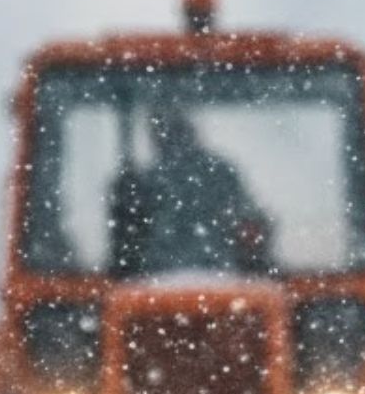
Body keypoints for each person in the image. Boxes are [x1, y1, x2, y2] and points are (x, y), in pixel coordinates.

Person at [110, 106, 273, 276]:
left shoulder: (143, 181)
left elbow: (127, 237)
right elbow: (249, 223)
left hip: (158, 275)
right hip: (223, 275)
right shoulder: (220, 173)